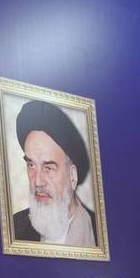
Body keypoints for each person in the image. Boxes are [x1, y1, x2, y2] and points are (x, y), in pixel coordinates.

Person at [11, 99, 98, 247]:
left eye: (48, 168)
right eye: (31, 165)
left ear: (72, 176)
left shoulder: (98, 231)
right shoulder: (14, 228)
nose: (38, 182)